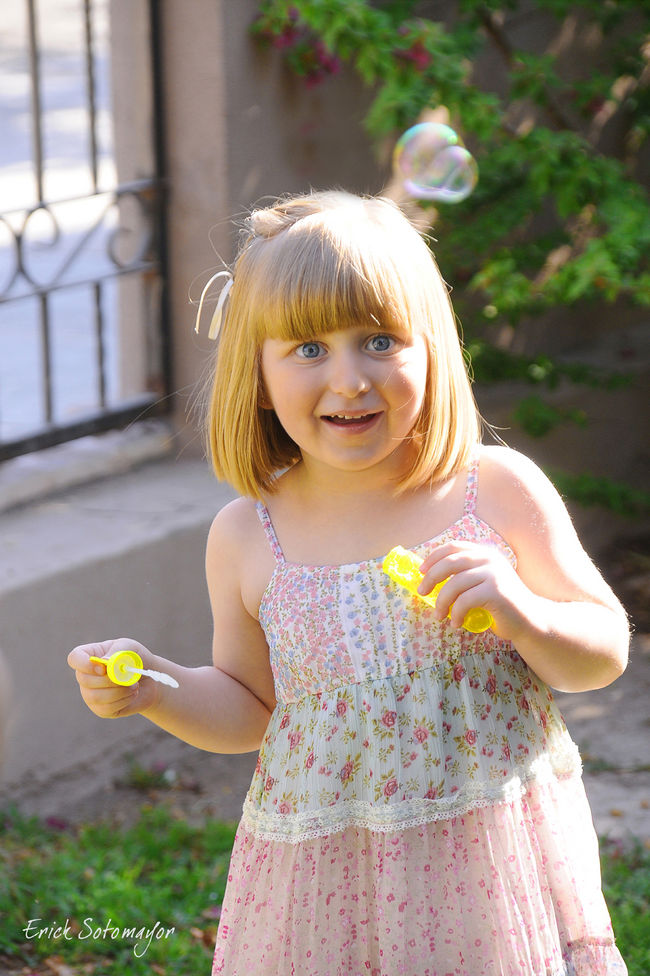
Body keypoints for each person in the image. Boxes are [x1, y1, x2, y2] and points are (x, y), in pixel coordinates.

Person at [68, 191, 630, 976]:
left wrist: (524, 612)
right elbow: (250, 706)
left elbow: (601, 653)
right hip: (330, 884)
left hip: (491, 872)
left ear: (430, 349)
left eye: (379, 340)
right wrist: (155, 687)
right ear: (257, 375)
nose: (350, 379)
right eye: (308, 348)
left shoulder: (494, 491)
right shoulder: (248, 536)